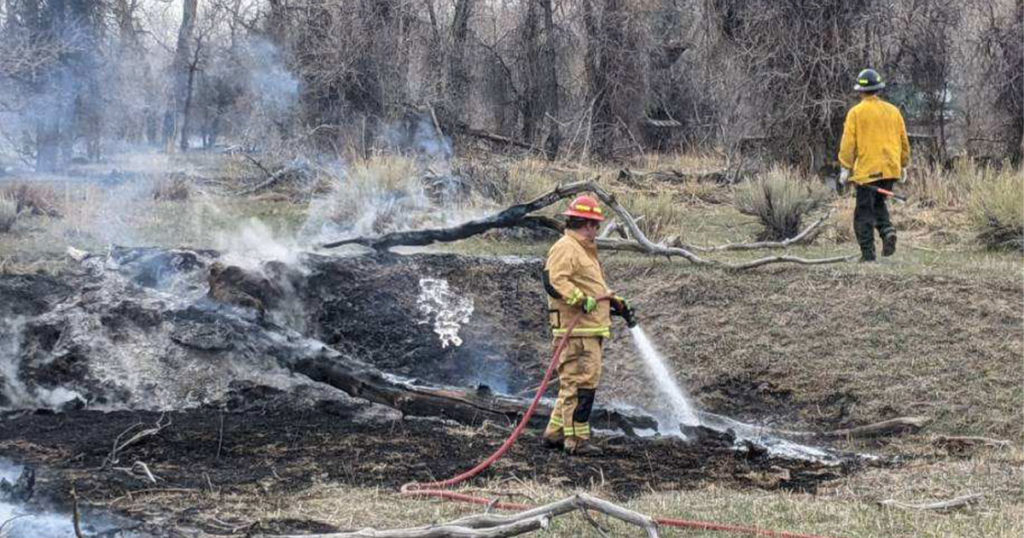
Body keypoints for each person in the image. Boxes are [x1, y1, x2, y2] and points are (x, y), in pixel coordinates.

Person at [541, 195, 634, 456]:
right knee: (581, 386)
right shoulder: (566, 247)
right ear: (586, 223)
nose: (596, 230)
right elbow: (554, 281)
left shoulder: (583, 250)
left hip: (588, 329)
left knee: (574, 384)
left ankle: (556, 432)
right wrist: (580, 300)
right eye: (595, 225)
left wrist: (615, 302)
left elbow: (593, 288)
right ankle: (577, 440)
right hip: (577, 332)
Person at [838, 68, 911, 262]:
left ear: (860, 91)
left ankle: (868, 255)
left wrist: (845, 167)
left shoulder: (856, 113)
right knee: (879, 203)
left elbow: (848, 143)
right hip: (890, 169)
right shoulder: (893, 111)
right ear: (878, 89)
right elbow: (904, 141)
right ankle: (888, 232)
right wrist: (903, 165)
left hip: (868, 173)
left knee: (863, 212)